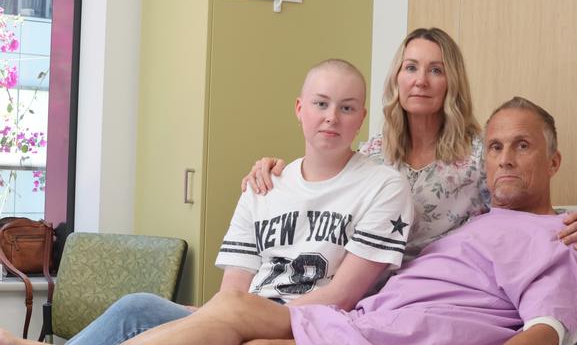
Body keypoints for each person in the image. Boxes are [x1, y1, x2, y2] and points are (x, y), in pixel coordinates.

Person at [107, 97, 577, 345]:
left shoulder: (564, 241)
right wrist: (273, 171)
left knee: (235, 312)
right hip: (362, 321)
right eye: (496, 146)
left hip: (390, 333)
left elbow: (547, 330)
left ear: (553, 162)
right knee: (219, 318)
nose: (503, 159)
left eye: (522, 147)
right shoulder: (467, 213)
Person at [0, 59, 414, 345]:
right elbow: (231, 291)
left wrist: (242, 318)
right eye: (321, 104)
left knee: (219, 311)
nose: (331, 117)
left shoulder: (383, 187)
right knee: (138, 306)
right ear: (300, 109)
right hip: (241, 309)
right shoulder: (265, 183)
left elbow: (340, 298)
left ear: (362, 118)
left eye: (346, 108)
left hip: (309, 321)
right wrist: (220, 320)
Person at [243, 28, 577, 262]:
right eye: (411, 67)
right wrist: (275, 170)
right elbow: (320, 187)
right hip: (365, 284)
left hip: (445, 285)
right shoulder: (372, 154)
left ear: (451, 82)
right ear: (397, 77)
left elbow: (522, 203)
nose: (421, 81)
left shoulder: (479, 155)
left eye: (436, 70)